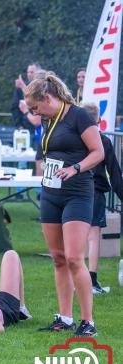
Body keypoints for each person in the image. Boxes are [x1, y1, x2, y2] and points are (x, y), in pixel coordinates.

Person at [24, 72, 104, 337]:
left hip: (78, 194)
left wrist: (76, 168)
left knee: (73, 258)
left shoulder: (79, 116)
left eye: (36, 107)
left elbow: (98, 152)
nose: (35, 114)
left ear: (47, 98)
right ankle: (65, 317)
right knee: (58, 258)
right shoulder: (48, 120)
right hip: (51, 193)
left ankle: (88, 321)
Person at [82, 102, 123, 294]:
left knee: (76, 237)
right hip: (95, 192)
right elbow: (115, 173)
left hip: (74, 193)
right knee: (93, 237)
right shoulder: (104, 141)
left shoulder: (74, 139)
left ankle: (77, 281)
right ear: (99, 119)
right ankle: (91, 281)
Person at [11, 62, 42, 149]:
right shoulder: (20, 90)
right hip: (24, 130)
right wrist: (18, 125)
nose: (29, 74)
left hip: (39, 131)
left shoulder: (43, 90)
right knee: (21, 158)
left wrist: (26, 110)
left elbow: (37, 121)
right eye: (28, 72)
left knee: (38, 157)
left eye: (32, 72)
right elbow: (14, 108)